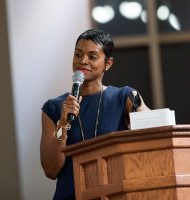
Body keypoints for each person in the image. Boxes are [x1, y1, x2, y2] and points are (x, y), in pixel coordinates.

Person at [40, 29, 150, 199]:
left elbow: (154, 135)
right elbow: (50, 170)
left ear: (108, 63)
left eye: (92, 56)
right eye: (78, 54)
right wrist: (63, 123)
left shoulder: (124, 97)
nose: (82, 61)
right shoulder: (53, 108)